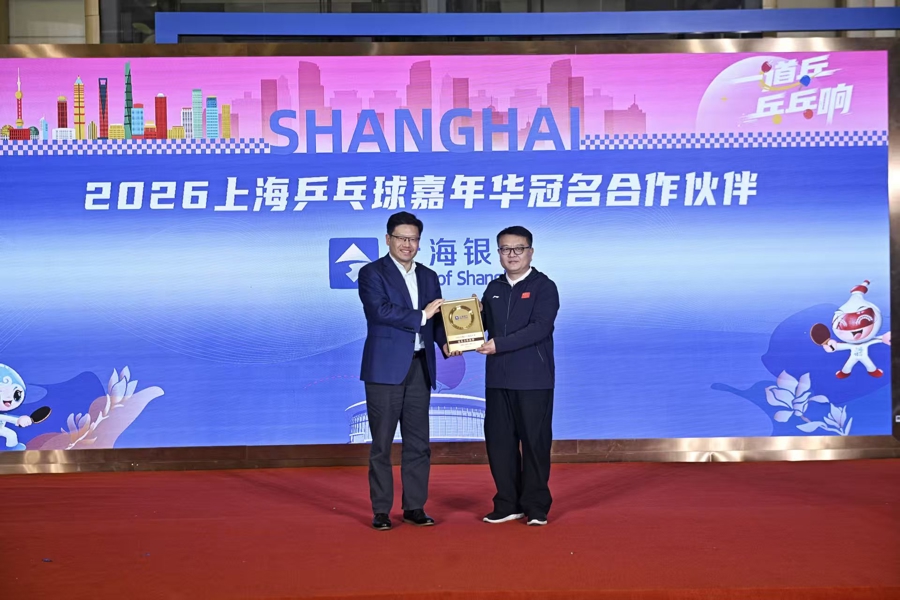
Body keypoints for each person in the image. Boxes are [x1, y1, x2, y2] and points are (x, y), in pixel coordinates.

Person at [357, 211, 448, 531]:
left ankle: (414, 506)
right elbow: (380, 311)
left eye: (413, 239)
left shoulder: (428, 275)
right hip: (384, 369)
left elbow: (436, 319)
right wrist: (422, 315)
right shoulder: (371, 273)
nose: (407, 244)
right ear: (388, 239)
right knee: (382, 443)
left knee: (419, 442)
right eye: (401, 238)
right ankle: (381, 510)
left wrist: (447, 342)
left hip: (420, 366)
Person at [477, 226, 559, 526]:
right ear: (499, 253)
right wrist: (462, 328)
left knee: (535, 443)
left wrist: (499, 344)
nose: (512, 254)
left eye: (518, 248)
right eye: (505, 249)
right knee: (499, 443)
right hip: (498, 379)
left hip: (533, 379)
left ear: (530, 252)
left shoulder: (544, 287)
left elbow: (540, 328)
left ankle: (536, 506)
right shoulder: (493, 288)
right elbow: (480, 326)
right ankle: (507, 503)